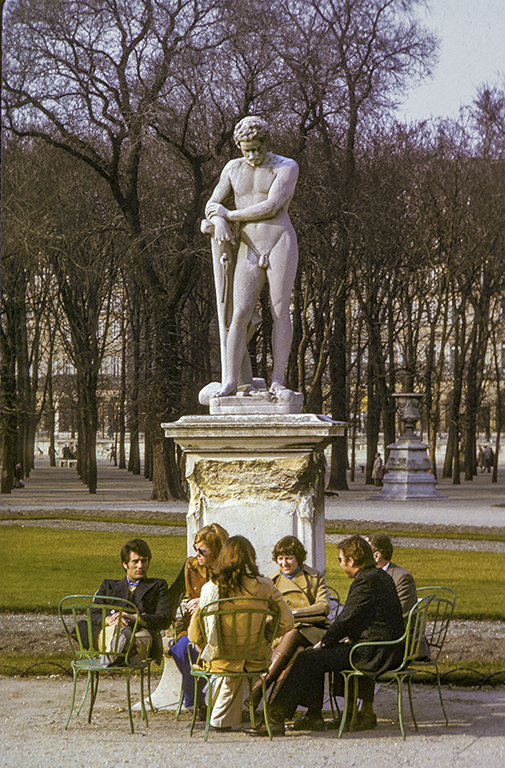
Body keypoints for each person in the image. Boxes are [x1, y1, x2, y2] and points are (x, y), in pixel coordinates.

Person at [244, 535, 404, 737]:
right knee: (314, 655)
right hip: (384, 647)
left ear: (351, 561)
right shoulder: (378, 576)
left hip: (373, 651)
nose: (339, 563)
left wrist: (326, 641)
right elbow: (356, 619)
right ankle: (318, 715)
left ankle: (276, 717)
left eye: (340, 559)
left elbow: (347, 619)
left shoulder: (366, 581)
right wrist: (330, 640)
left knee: (308, 657)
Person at [204, 116, 299, 397]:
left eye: (257, 148)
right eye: (247, 149)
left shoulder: (286, 166)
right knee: (240, 312)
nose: (253, 155)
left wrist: (229, 215)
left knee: (279, 310)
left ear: (266, 143)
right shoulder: (233, 168)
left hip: (279, 240)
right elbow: (212, 203)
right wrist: (218, 220)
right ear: (239, 146)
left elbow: (272, 206)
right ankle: (231, 380)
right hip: (248, 245)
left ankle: (278, 380)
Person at [188, 535, 294, 731]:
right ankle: (225, 719)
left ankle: (220, 721)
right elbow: (287, 621)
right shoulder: (265, 586)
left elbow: (195, 634)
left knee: (225, 672)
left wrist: (204, 645)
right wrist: (265, 635)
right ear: (251, 558)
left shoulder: (211, 588)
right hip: (255, 655)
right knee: (233, 675)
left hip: (220, 656)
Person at [250, 535, 330, 708]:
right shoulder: (272, 582)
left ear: (298, 559)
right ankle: (274, 710)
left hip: (313, 631)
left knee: (296, 633)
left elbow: (323, 607)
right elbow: (266, 614)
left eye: (289, 558)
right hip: (282, 636)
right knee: (298, 651)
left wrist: (292, 614)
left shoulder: (315, 577)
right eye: (280, 558)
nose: (284, 563)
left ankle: (262, 685)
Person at [168, 523, 229, 718]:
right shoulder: (191, 566)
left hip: (222, 629)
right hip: (193, 627)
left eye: (202, 551)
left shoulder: (229, 572)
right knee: (182, 648)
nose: (197, 555)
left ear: (216, 551)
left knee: (197, 650)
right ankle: (196, 703)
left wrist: (204, 601)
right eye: (196, 549)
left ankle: (207, 702)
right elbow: (173, 594)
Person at [91, 539, 174, 666]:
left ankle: (112, 656)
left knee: (132, 635)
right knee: (84, 627)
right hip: (112, 632)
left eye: (144, 561)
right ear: (125, 564)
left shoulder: (157, 586)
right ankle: (122, 652)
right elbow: (93, 614)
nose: (140, 566)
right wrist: (109, 620)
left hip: (140, 633)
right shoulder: (109, 586)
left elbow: (164, 619)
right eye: (135, 561)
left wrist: (136, 618)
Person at [366, 533, 417, 622]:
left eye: (365, 551)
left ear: (377, 556)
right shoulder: (366, 575)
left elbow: (400, 614)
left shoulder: (402, 578)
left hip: (398, 632)